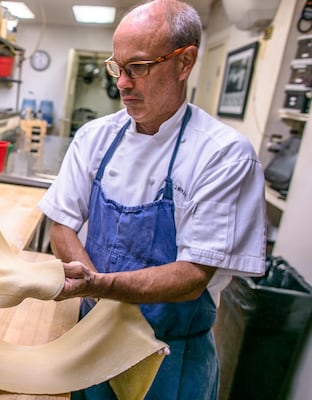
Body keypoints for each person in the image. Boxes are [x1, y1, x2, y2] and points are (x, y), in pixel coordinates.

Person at [38, 0, 266, 399]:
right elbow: (62, 222)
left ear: (185, 62)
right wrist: (100, 300)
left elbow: (193, 277)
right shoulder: (94, 137)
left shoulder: (224, 155)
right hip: (92, 342)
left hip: (170, 358)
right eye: (118, 68)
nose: (122, 83)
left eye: (138, 68)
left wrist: (98, 285)